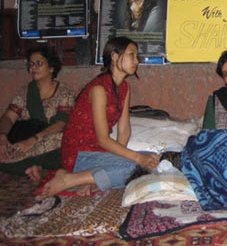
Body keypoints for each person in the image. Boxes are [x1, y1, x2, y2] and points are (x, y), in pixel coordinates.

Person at [34, 37, 160, 200]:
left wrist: (119, 159)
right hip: (80, 153)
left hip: (99, 152)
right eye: (131, 55)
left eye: (137, 56)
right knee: (135, 168)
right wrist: (136, 158)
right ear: (114, 57)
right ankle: (70, 179)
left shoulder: (124, 88)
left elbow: (124, 130)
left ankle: (92, 178)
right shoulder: (99, 89)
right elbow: (103, 139)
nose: (136, 61)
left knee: (152, 159)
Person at [0, 46, 75, 176]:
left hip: (48, 141)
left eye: (39, 63)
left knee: (64, 141)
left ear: (51, 68)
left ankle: (26, 165)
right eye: (31, 64)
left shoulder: (64, 92)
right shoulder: (24, 92)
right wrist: (2, 137)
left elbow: (61, 123)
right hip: (23, 138)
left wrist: (33, 140)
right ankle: (33, 166)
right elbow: (8, 117)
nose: (33, 68)